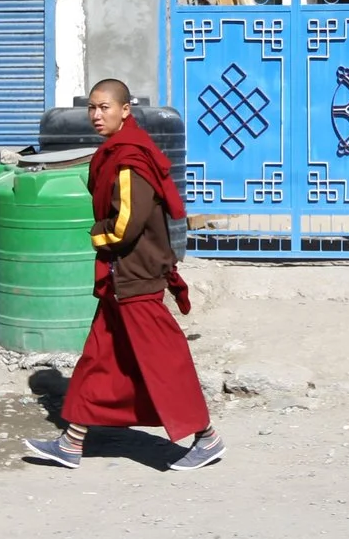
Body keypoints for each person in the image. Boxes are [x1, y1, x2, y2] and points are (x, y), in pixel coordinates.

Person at [24, 79, 225, 471]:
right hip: (121, 277)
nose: (97, 115)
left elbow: (126, 226)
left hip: (137, 274)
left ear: (125, 110)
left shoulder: (131, 158)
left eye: (105, 108)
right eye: (92, 108)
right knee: (99, 358)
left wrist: (95, 237)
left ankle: (207, 436)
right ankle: (72, 441)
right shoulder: (116, 150)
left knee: (164, 359)